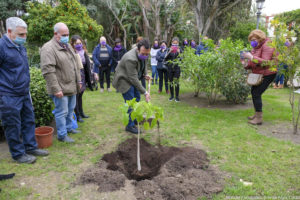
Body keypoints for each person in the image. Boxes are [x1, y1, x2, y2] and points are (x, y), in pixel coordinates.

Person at [0, 17, 49, 163]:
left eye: (25, 34)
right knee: (13, 125)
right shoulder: (1, 47)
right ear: (9, 32)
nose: (24, 37)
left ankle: (30, 147)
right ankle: (18, 154)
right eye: (21, 34)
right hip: (9, 95)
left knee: (28, 120)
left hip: (24, 92)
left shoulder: (20, 46)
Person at [41, 22, 81, 143]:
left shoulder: (66, 45)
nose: (66, 37)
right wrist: (56, 89)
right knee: (61, 112)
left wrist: (78, 80)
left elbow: (75, 64)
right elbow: (48, 71)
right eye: (64, 34)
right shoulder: (48, 48)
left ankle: (69, 128)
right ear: (55, 34)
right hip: (60, 88)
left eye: (68, 34)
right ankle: (62, 135)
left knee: (70, 109)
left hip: (71, 85)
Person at [113, 39, 151, 134]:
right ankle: (129, 126)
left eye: (147, 54)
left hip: (133, 78)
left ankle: (134, 119)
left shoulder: (144, 54)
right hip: (124, 80)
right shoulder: (131, 58)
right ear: (137, 50)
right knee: (130, 102)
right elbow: (133, 78)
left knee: (137, 98)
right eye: (143, 53)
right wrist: (145, 92)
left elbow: (144, 63)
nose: (145, 55)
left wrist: (144, 74)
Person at [241, 29, 277, 125]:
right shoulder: (256, 47)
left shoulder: (267, 45)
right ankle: (257, 114)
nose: (252, 42)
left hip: (268, 73)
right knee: (254, 92)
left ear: (260, 38)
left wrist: (252, 57)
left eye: (254, 39)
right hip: (259, 73)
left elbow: (266, 62)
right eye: (251, 40)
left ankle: (259, 118)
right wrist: (245, 63)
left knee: (256, 92)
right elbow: (253, 63)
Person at [70, 35, 91, 123]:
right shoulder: (72, 53)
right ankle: (77, 115)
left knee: (80, 96)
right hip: (76, 76)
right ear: (73, 44)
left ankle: (82, 113)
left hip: (83, 75)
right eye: (76, 43)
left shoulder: (83, 52)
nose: (79, 45)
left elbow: (87, 65)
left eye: (80, 43)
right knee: (76, 96)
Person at [165, 37, 181, 102]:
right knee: (171, 82)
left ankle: (177, 97)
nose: (175, 45)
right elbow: (165, 58)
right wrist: (169, 51)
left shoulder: (180, 49)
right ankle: (172, 96)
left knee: (176, 82)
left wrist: (179, 53)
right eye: (173, 44)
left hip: (177, 68)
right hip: (170, 68)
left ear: (178, 43)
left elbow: (183, 59)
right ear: (171, 43)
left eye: (176, 44)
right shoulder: (169, 49)